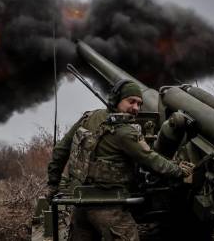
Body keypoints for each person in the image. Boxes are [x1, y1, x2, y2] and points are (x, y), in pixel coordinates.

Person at [47, 80, 194, 241]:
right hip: (108, 205)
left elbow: (61, 150)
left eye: (139, 104)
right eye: (131, 102)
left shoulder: (89, 117)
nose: (136, 108)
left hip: (81, 202)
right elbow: (153, 161)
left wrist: (53, 184)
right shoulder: (125, 132)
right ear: (116, 100)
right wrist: (179, 170)